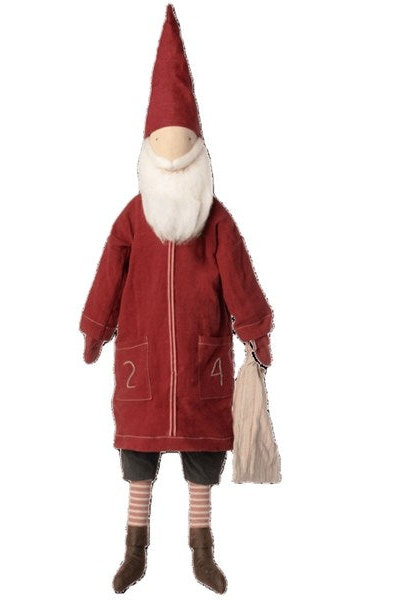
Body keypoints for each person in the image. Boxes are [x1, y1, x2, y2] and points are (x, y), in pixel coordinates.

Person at [79, 5, 272, 594]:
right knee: (138, 458)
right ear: (148, 153)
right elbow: (110, 273)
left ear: (196, 155)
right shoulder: (131, 219)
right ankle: (134, 549)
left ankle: (201, 550)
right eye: (163, 145)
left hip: (198, 362)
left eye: (180, 145)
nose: (170, 156)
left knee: (200, 462)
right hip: (143, 363)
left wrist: (255, 332)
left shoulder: (216, 221)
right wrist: (95, 327)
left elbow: (239, 278)